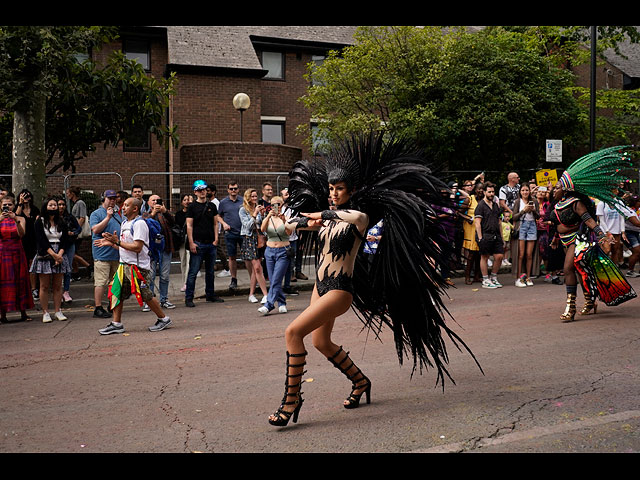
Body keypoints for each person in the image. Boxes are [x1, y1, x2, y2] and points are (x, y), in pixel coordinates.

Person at [267, 134, 480, 427]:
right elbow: (288, 228)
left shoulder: (360, 218)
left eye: (339, 189)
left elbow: (352, 217)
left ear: (350, 190)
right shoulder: (326, 220)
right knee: (321, 341)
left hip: (340, 290)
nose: (333, 193)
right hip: (320, 287)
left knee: (293, 332)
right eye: (330, 188)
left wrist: (319, 215)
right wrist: (294, 223)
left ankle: (292, 400)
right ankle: (361, 382)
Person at [550, 146, 636, 322]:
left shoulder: (575, 203)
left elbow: (589, 220)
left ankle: (570, 307)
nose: (553, 190)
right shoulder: (557, 204)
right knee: (581, 272)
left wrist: (601, 234)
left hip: (577, 240)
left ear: (565, 189)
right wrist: (554, 239)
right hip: (564, 241)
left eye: (557, 187)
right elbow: (557, 224)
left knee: (568, 269)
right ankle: (590, 300)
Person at [94, 197, 172, 335]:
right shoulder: (125, 222)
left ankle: (164, 319)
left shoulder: (139, 224)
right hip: (124, 266)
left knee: (146, 295)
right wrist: (111, 244)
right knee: (116, 293)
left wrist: (117, 242)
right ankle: (116, 324)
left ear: (135, 209)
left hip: (138, 268)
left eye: (126, 205)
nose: (123, 208)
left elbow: (137, 247)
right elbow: (125, 247)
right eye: (123, 205)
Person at [30, 196, 72, 323]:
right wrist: (53, 255)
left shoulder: (62, 222)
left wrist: (59, 254)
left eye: (55, 205)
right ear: (45, 206)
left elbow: (65, 240)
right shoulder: (40, 221)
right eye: (51, 205)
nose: (54, 207)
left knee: (58, 285)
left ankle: (58, 311)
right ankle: (45, 312)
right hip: (45, 254)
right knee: (44, 285)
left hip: (60, 252)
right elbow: (41, 240)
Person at [185, 180, 221, 308]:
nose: (202, 192)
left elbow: (215, 223)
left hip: (210, 243)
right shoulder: (192, 207)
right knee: (193, 272)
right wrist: (191, 242)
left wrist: (216, 239)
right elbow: (189, 225)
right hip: (198, 243)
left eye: (204, 189)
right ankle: (189, 297)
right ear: (195, 192)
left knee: (210, 271)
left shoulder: (212, 206)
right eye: (199, 190)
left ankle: (210, 295)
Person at [0, 194, 34, 323]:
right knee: (4, 281)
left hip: (17, 252)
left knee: (20, 281)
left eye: (9, 204)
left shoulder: (20, 218)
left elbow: (21, 234)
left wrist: (15, 220)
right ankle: (2, 314)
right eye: (4, 205)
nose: (7, 207)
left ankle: (23, 312)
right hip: (3, 253)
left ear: (14, 206)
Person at [90, 190, 122, 319]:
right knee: (101, 282)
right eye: (110, 199)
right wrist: (108, 217)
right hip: (102, 254)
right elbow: (96, 229)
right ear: (104, 199)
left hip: (115, 252)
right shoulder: (96, 214)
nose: (112, 201)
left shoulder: (118, 214)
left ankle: (112, 304)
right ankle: (98, 307)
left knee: (114, 282)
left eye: (114, 199)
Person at [259, 195, 293, 315]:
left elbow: (289, 233)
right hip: (269, 251)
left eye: (278, 204)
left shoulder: (287, 217)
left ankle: (268, 305)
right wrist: (268, 216)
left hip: (283, 250)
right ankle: (282, 302)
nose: (275, 207)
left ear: (282, 205)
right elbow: (262, 229)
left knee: (277, 278)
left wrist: (283, 220)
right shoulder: (268, 217)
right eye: (273, 204)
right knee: (273, 279)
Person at [145, 194, 176, 310]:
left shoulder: (166, 213)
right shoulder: (145, 214)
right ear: (148, 203)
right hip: (151, 250)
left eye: (157, 200)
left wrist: (165, 211)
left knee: (164, 276)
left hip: (166, 248)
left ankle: (164, 299)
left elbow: (174, 222)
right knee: (151, 276)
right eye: (153, 200)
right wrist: (153, 213)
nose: (155, 202)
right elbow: (144, 223)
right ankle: (149, 300)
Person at [239, 188, 268, 304]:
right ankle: (266, 294)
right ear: (247, 198)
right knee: (256, 267)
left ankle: (251, 294)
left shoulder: (258, 207)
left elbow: (262, 225)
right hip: (249, 239)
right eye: (252, 197)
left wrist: (262, 214)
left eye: (256, 196)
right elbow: (247, 226)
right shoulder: (243, 210)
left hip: (259, 239)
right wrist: (255, 214)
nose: (255, 199)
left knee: (257, 269)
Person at [474, 182, 504, 289]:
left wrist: (502, 237)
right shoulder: (480, 206)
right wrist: (480, 237)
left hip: (496, 235)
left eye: (493, 192)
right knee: (485, 257)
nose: (491, 194)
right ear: (484, 192)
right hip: (485, 235)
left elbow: (499, 222)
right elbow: (477, 223)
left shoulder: (496, 205)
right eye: (489, 192)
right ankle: (485, 279)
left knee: (499, 256)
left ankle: (494, 277)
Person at [511, 183, 540, 287]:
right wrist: (523, 211)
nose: (525, 192)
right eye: (523, 190)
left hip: (532, 226)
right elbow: (514, 217)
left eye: (526, 190)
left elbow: (538, 216)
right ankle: (519, 278)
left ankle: (528, 277)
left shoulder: (534, 201)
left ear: (529, 191)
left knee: (529, 254)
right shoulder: (518, 202)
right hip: (521, 226)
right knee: (521, 254)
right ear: (520, 192)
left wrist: (532, 210)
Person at [217, 181, 243, 291]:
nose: (233, 191)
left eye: (235, 188)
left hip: (243, 233)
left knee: (248, 257)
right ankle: (233, 279)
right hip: (230, 233)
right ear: (228, 190)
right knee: (232, 257)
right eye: (231, 189)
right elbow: (218, 216)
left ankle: (254, 279)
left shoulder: (243, 200)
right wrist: (223, 224)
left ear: (238, 190)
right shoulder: (223, 202)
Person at [15, 189, 40, 299]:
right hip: (22, 239)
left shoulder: (35, 210)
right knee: (21, 264)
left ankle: (33, 289)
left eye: (27, 196)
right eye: (24, 196)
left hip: (33, 239)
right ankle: (22, 288)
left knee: (32, 263)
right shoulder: (18, 208)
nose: (26, 198)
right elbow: (15, 217)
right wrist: (20, 203)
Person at [57, 196, 81, 304]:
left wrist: (73, 233)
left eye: (63, 204)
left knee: (68, 268)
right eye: (59, 204)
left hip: (69, 244)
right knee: (58, 269)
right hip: (57, 245)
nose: (61, 207)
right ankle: (58, 292)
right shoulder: (53, 218)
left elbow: (78, 228)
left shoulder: (70, 217)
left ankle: (66, 291)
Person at [65, 186, 91, 280]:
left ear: (72, 193)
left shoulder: (80, 203)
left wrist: (76, 230)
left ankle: (88, 266)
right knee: (73, 252)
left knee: (71, 253)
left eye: (68, 193)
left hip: (77, 232)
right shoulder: (76, 203)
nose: (67, 195)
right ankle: (76, 273)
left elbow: (82, 218)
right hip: (75, 230)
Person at [461, 182, 483, 285]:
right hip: (470, 228)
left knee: (479, 254)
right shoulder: (469, 199)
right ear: (475, 189)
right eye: (479, 189)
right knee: (471, 254)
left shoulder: (484, 201)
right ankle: (467, 277)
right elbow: (458, 212)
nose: (480, 191)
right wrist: (468, 218)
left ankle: (477, 276)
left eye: (482, 189)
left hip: (480, 229)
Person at [207, 183, 231, 278]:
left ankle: (227, 269)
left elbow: (217, 217)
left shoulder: (215, 203)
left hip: (215, 230)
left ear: (213, 192)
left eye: (209, 191)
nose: (207, 192)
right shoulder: (211, 202)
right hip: (212, 230)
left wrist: (217, 230)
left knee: (219, 249)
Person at [596, 189, 626, 266]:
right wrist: (608, 232)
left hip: (617, 231)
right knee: (606, 250)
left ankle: (614, 269)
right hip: (605, 232)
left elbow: (622, 217)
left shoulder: (619, 203)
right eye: (615, 189)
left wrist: (623, 231)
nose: (617, 191)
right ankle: (602, 268)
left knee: (615, 251)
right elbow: (601, 220)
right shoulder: (602, 203)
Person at [280, 187, 299, 296]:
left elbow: (294, 223)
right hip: (282, 240)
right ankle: (278, 287)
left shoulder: (294, 208)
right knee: (281, 264)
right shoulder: (279, 208)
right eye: (286, 194)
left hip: (293, 239)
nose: (289, 197)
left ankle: (287, 286)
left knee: (290, 264)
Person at [174, 193, 193, 292]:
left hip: (191, 238)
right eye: (184, 200)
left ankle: (187, 283)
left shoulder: (193, 212)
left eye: (188, 200)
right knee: (183, 261)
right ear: (181, 202)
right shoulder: (178, 214)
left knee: (189, 261)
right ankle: (184, 282)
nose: (186, 202)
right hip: (182, 239)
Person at [623, 195, 640, 277]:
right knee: (637, 251)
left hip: (637, 232)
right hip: (629, 233)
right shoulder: (628, 210)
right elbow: (636, 223)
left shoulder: (638, 210)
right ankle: (630, 271)